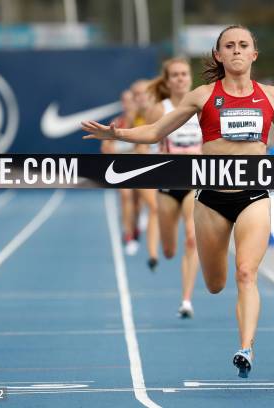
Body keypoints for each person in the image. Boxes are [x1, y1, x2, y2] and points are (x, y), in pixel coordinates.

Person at [82, 24, 274, 378]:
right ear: (218, 56)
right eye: (229, 46)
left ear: (254, 54)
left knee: (246, 273)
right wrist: (119, 134)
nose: (236, 51)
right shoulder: (202, 96)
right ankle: (213, 296)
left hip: (253, 196)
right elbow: (156, 131)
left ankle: (246, 347)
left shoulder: (270, 95)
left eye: (243, 45)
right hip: (211, 200)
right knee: (216, 283)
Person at [144, 58, 202, 318]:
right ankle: (166, 248)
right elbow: (146, 142)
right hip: (167, 185)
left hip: (194, 183)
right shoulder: (159, 110)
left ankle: (187, 300)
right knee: (169, 250)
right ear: (167, 82)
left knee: (192, 237)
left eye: (184, 74)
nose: (180, 78)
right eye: (175, 75)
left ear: (190, 78)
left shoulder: (202, 107)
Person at [101, 90, 142, 256]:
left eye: (130, 100)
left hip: (139, 167)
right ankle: (128, 234)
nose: (127, 104)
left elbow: (144, 146)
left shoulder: (141, 122)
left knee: (138, 202)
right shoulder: (116, 123)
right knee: (125, 197)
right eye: (124, 101)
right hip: (121, 168)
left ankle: (135, 225)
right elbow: (105, 148)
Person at [130, 80, 160, 270]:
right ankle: (152, 253)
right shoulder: (135, 116)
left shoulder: (160, 111)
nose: (141, 98)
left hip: (163, 164)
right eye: (137, 95)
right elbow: (139, 145)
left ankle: (152, 251)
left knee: (155, 208)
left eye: (144, 94)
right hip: (143, 166)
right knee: (151, 206)